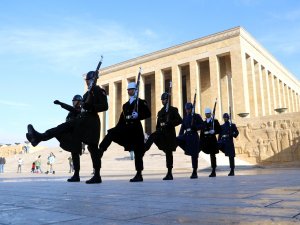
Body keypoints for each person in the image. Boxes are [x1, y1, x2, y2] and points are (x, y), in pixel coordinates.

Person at [26, 70, 108, 184]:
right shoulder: (86, 94)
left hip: (92, 124)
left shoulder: (99, 91)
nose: (87, 82)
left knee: (93, 149)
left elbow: (105, 106)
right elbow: (77, 110)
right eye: (86, 80)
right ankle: (39, 137)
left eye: (89, 80)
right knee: (64, 130)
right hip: (82, 121)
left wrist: (91, 107)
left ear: (94, 79)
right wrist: (62, 105)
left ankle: (97, 175)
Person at [99, 82, 151, 182]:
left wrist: (138, 115)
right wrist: (116, 129)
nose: (128, 91)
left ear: (135, 90)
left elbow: (148, 114)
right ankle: (101, 149)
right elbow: (121, 120)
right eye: (128, 89)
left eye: (130, 89)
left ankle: (139, 174)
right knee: (111, 133)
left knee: (138, 153)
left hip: (136, 130)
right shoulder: (125, 105)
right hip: (126, 129)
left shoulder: (141, 102)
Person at [145, 92, 182, 180]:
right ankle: (144, 148)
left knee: (169, 153)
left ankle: (169, 173)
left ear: (167, 100)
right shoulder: (160, 111)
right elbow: (158, 125)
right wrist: (159, 130)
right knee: (153, 135)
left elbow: (179, 120)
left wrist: (170, 123)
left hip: (169, 135)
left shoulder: (173, 110)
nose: (163, 101)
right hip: (162, 133)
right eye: (162, 100)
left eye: (164, 100)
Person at [177, 103, 203, 179]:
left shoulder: (196, 116)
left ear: (191, 109)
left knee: (194, 155)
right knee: (177, 139)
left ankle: (194, 171)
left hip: (194, 136)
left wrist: (195, 127)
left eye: (188, 109)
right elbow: (182, 129)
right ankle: (187, 149)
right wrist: (180, 136)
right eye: (186, 109)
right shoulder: (185, 118)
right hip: (187, 136)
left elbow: (202, 125)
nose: (187, 110)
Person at [200, 107, 221, 177]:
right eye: (206, 114)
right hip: (206, 141)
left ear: (210, 114)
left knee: (212, 155)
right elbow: (202, 133)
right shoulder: (203, 123)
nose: (207, 115)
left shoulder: (215, 121)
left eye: (208, 114)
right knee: (209, 154)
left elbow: (219, 129)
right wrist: (201, 141)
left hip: (212, 141)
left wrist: (214, 131)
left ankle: (213, 170)